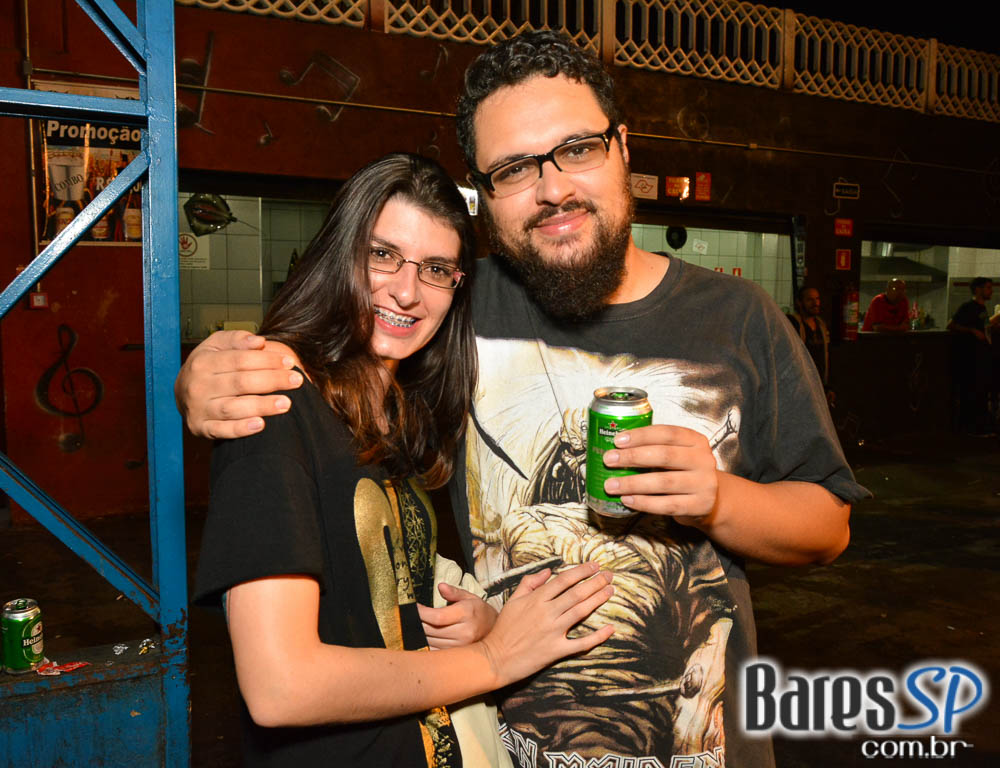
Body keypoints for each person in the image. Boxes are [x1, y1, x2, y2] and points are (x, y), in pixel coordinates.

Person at [176, 33, 868, 768]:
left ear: (623, 147)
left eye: (577, 149)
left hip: (702, 746)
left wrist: (719, 500)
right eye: (513, 168)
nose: (553, 188)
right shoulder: (454, 303)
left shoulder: (741, 317)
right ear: (483, 193)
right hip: (506, 748)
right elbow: (342, 375)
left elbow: (828, 528)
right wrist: (207, 373)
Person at [191, 152, 616, 767]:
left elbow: (369, 573)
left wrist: (465, 613)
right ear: (340, 253)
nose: (407, 291)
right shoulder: (276, 404)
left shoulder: (395, 410)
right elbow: (280, 686)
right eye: (382, 254)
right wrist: (494, 660)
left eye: (437, 269)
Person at [947, 277, 1000, 436]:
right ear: (978, 290)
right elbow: (951, 325)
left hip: (981, 359)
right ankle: (969, 427)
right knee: (971, 394)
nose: (991, 291)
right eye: (988, 288)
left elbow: (982, 328)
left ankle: (978, 426)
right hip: (970, 359)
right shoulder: (969, 307)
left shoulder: (982, 308)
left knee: (981, 393)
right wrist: (972, 331)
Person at [787, 285, 834, 407]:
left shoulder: (821, 326)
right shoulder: (793, 324)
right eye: (810, 300)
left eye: (817, 299)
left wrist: (828, 386)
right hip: (799, 388)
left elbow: (827, 357)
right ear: (799, 302)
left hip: (819, 387)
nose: (815, 303)